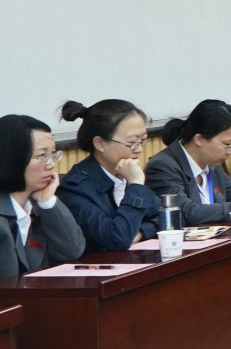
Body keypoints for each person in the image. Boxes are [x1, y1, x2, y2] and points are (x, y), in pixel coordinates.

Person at [0, 114, 85, 278]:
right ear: (9, 160)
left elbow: (72, 251)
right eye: (41, 156)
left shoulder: (37, 205)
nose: (51, 164)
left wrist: (47, 202)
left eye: (53, 154)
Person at [58, 98, 165, 250]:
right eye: (132, 143)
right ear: (100, 143)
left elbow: (167, 216)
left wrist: (140, 232)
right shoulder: (74, 189)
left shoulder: (125, 173)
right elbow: (118, 238)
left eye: (143, 141)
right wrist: (135, 185)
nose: (139, 149)